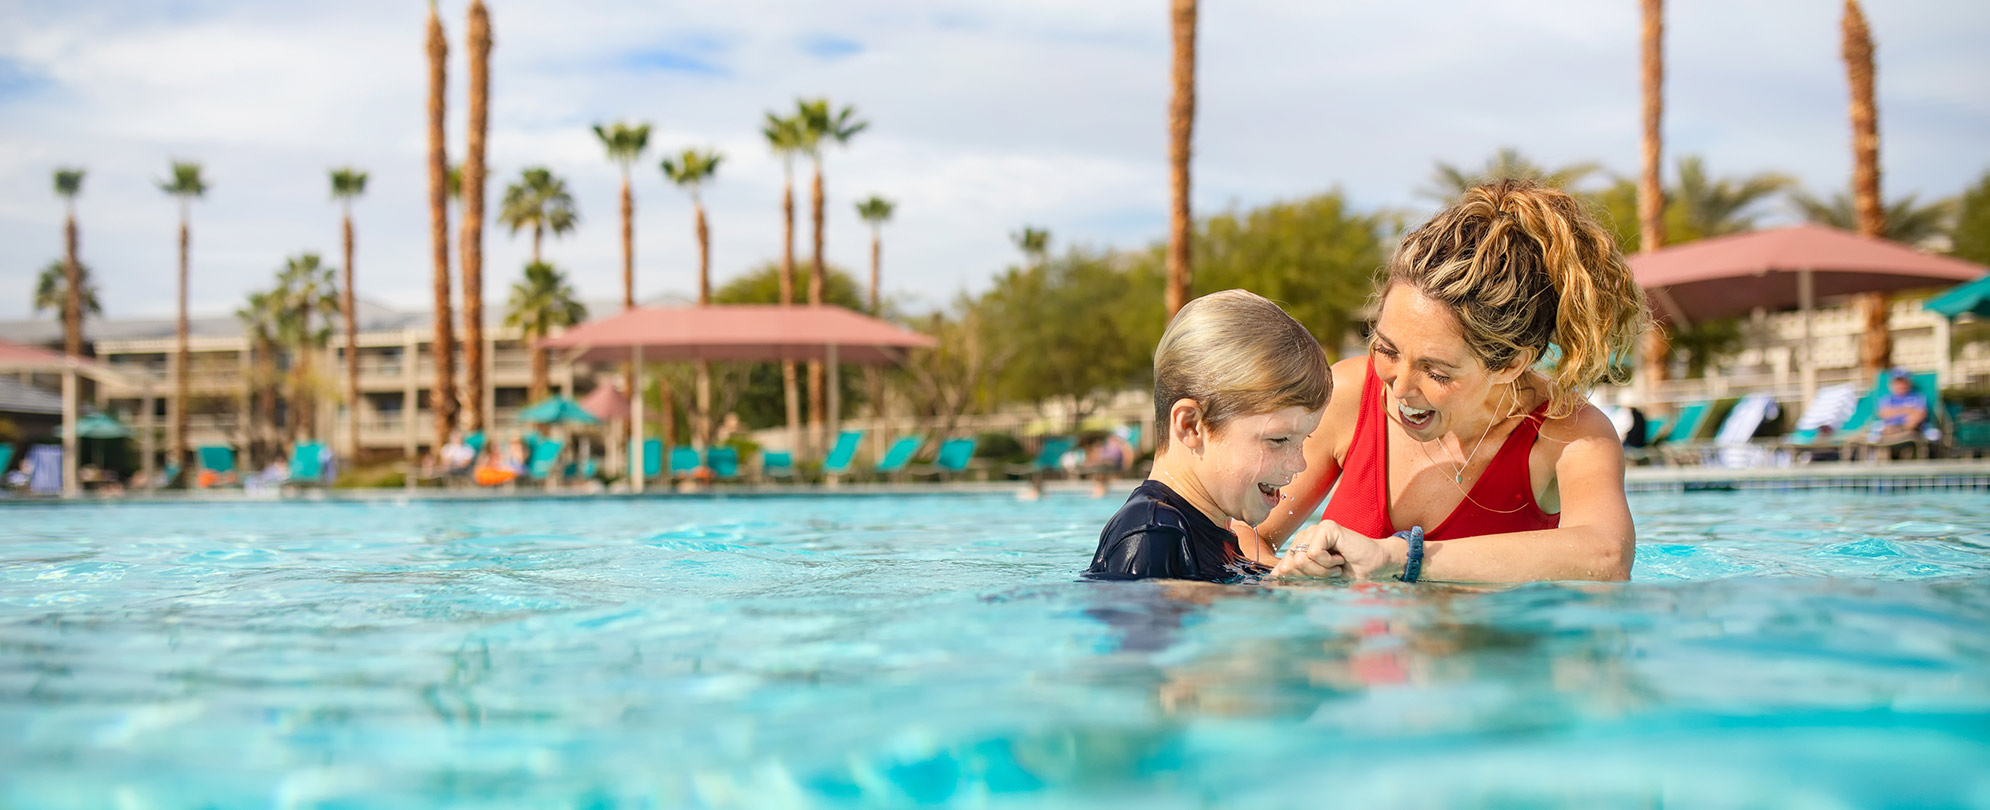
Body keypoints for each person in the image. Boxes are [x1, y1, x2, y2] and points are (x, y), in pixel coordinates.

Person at [1251, 179, 1651, 583]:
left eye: (1436, 372)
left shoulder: (1569, 434)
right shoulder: (1350, 396)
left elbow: (1606, 557)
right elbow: (1246, 532)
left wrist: (1400, 558)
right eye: (1387, 350)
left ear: (1511, 363)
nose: (1399, 387)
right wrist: (1289, 580)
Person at [1085, 290, 1335, 582]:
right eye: (1278, 440)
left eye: (1303, 440)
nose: (1299, 463)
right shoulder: (1153, 534)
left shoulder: (1208, 533)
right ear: (1191, 425)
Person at [1870, 368, 1929, 445]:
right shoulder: (1886, 399)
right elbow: (1884, 414)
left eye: (1903, 382)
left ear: (1908, 383)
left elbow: (1920, 414)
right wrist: (1908, 410)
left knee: (1918, 425)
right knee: (1877, 428)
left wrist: (1895, 412)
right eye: (1898, 382)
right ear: (1892, 384)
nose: (1901, 385)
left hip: (1911, 430)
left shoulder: (1917, 397)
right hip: (1889, 429)